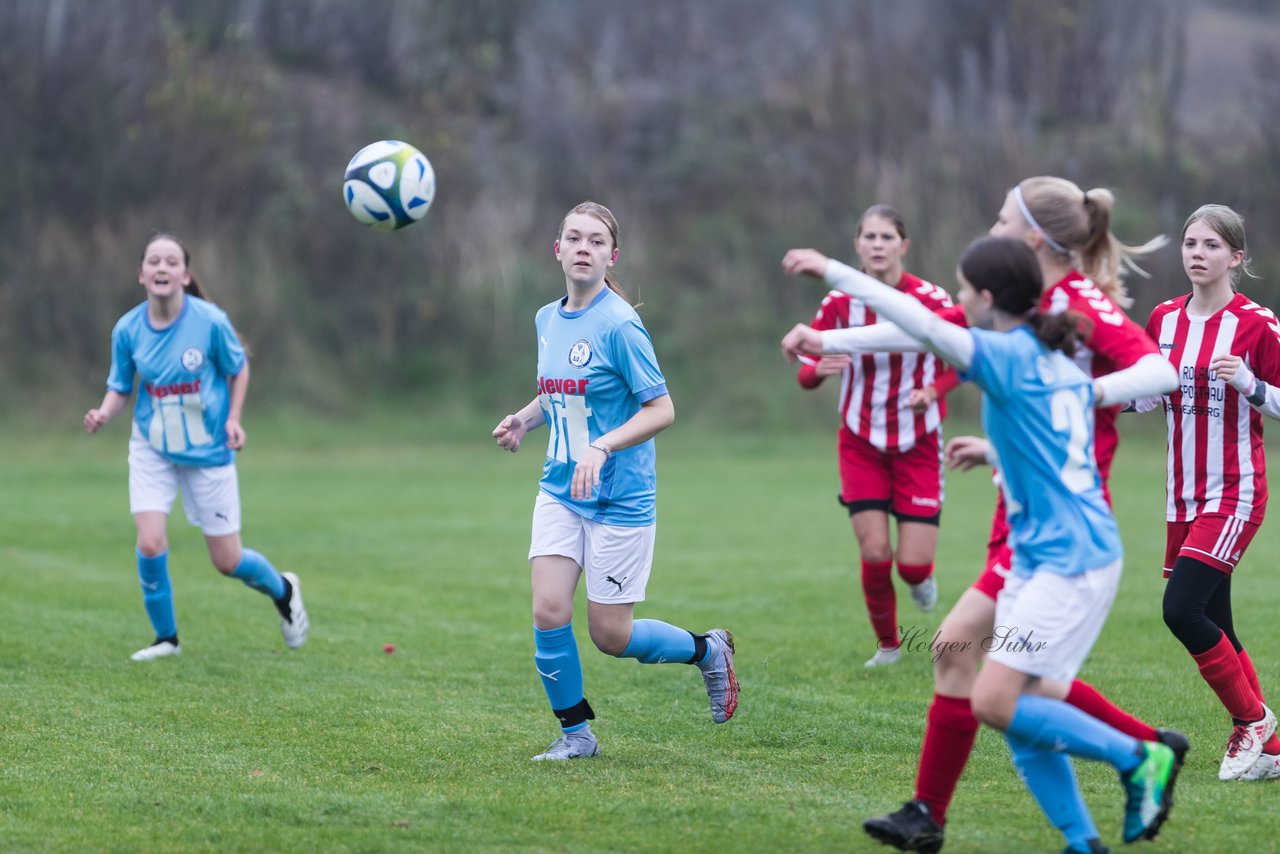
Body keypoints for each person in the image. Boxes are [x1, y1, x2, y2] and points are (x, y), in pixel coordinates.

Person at [783, 176, 1181, 852]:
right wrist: (1006, 441)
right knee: (979, 671)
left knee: (1003, 695)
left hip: (1069, 538)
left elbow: (935, 330)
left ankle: (1142, 753)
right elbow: (938, 333)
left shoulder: (1058, 319)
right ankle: (1059, 833)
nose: (992, 228)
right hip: (1036, 531)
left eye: (1001, 218)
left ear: (1028, 241)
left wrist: (830, 274)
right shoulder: (1033, 325)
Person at [491, 201, 738, 762]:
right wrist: (525, 420)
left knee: (611, 636)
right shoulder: (546, 318)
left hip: (620, 498)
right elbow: (562, 390)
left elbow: (662, 408)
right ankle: (576, 734)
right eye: (573, 238)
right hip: (559, 487)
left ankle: (707, 650)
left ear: (611, 255)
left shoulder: (621, 324)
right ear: (557, 250)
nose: (584, 248)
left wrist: (603, 446)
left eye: (596, 241)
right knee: (549, 611)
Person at [83, 233, 309, 661]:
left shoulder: (209, 321)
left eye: (171, 261)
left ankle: (284, 589)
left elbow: (237, 369)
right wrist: (102, 413)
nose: (162, 267)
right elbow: (119, 387)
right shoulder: (128, 328)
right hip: (152, 447)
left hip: (208, 453)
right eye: (154, 261)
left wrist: (234, 419)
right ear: (142, 274)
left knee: (227, 560)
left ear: (185, 275)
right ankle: (166, 638)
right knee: (150, 542)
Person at [1143, 204, 1280, 782]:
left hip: (1235, 489)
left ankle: (1251, 721)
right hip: (1182, 494)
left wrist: (1250, 384)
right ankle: (1271, 751)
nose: (1197, 253)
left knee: (1181, 610)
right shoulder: (1163, 318)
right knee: (1215, 618)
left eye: (1211, 246)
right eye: (1190, 243)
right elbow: (1148, 394)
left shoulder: (1256, 323)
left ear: (1236, 257)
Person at [794, 205, 953, 668]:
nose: (878, 245)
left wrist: (933, 390)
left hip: (919, 442)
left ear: (903, 246)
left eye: (887, 237)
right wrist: (815, 371)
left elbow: (965, 361)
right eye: (870, 237)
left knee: (912, 565)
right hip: (860, 441)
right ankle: (888, 646)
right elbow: (806, 368)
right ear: (857, 246)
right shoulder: (840, 303)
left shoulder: (931, 299)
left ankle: (921, 580)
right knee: (875, 550)